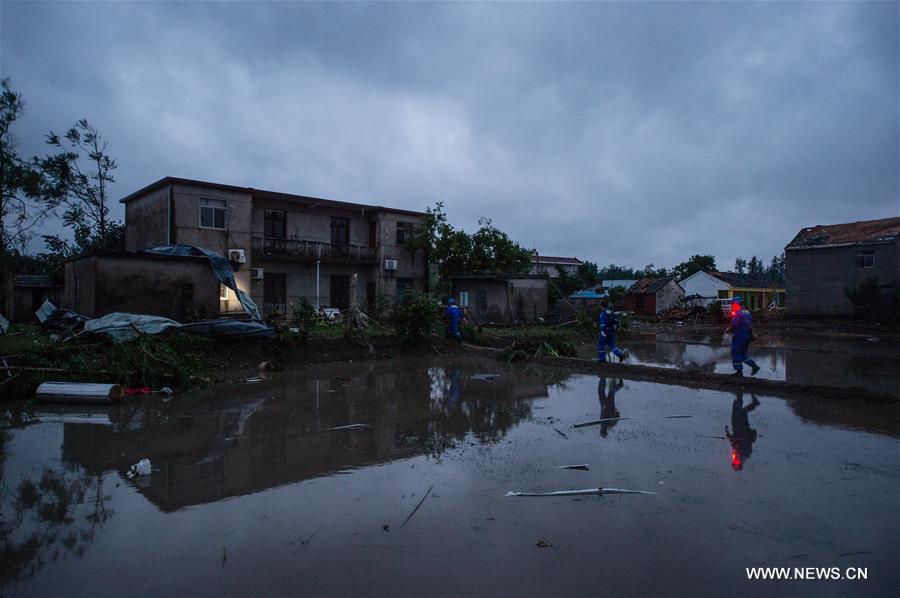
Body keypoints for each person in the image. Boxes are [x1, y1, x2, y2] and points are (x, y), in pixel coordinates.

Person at [726, 296, 760, 377]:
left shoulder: (738, 312)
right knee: (743, 353)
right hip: (747, 334)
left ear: (737, 304)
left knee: (735, 351)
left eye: (733, 304)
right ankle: (754, 366)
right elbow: (749, 323)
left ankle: (739, 372)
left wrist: (729, 329)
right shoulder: (747, 312)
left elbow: (735, 324)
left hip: (740, 334)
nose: (732, 306)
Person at [725, 391, 760, 470]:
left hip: (736, 426)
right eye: (736, 463)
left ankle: (742, 397)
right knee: (741, 412)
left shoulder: (737, 455)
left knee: (739, 411)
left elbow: (733, 442)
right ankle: (740, 396)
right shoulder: (746, 454)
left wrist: (727, 433)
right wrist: (736, 441)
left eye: (734, 463)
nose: (735, 461)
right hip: (742, 428)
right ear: (740, 463)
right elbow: (746, 441)